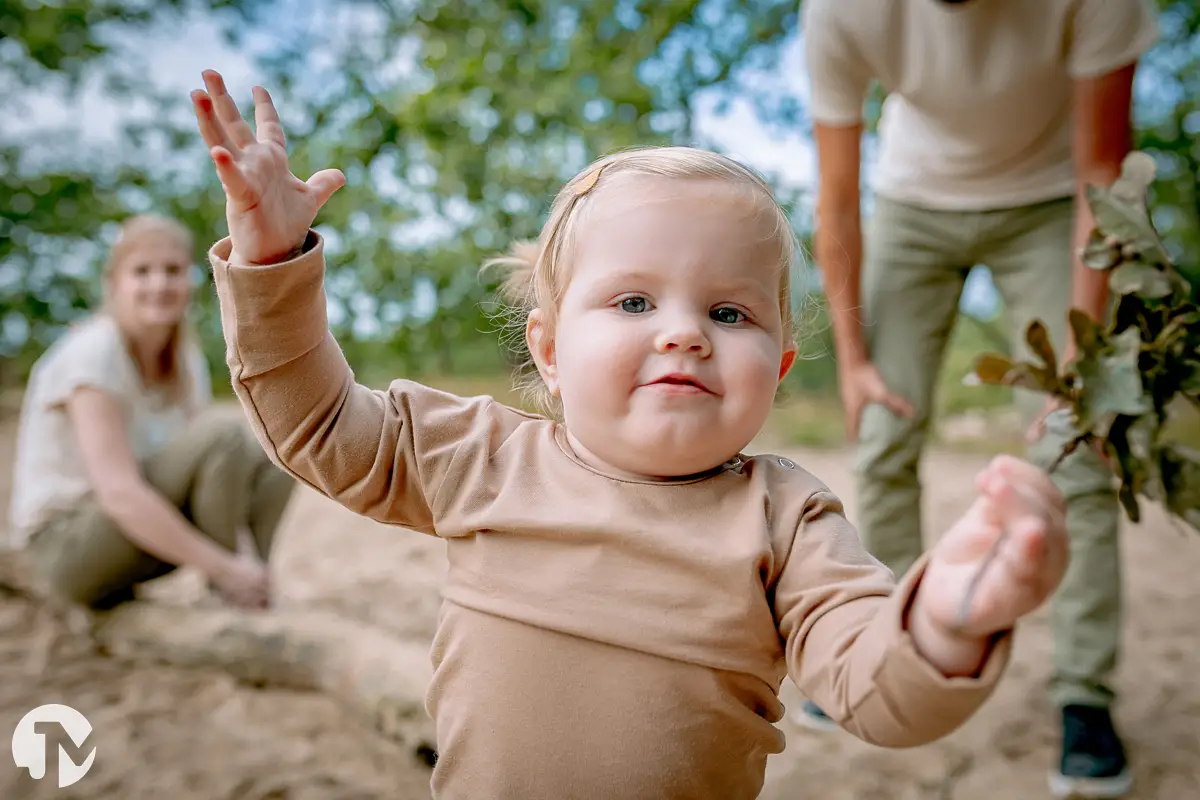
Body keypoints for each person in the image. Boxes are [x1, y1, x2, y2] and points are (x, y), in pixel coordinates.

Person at [192, 68, 1069, 800]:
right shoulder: (479, 458)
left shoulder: (786, 521)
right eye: (634, 302)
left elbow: (872, 693)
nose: (683, 332)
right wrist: (272, 264)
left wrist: (944, 626)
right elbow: (314, 423)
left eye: (728, 311)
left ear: (782, 366)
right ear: (551, 349)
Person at [799, 0, 1160, 797]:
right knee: (885, 436)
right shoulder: (839, 13)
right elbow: (837, 199)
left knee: (1079, 439)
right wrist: (854, 363)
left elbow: (1103, 170)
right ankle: (874, 655)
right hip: (910, 205)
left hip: (1049, 203)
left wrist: (1078, 360)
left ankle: (1084, 698)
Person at [8, 214, 297, 611]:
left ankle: (251, 590)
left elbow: (219, 473)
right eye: (142, 271)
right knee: (222, 435)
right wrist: (223, 566)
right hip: (67, 547)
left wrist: (244, 558)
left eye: (173, 271)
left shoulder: (184, 358)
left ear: (191, 281)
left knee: (274, 459)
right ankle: (232, 587)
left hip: (134, 532)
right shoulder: (92, 354)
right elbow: (119, 493)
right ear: (114, 284)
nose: (159, 284)